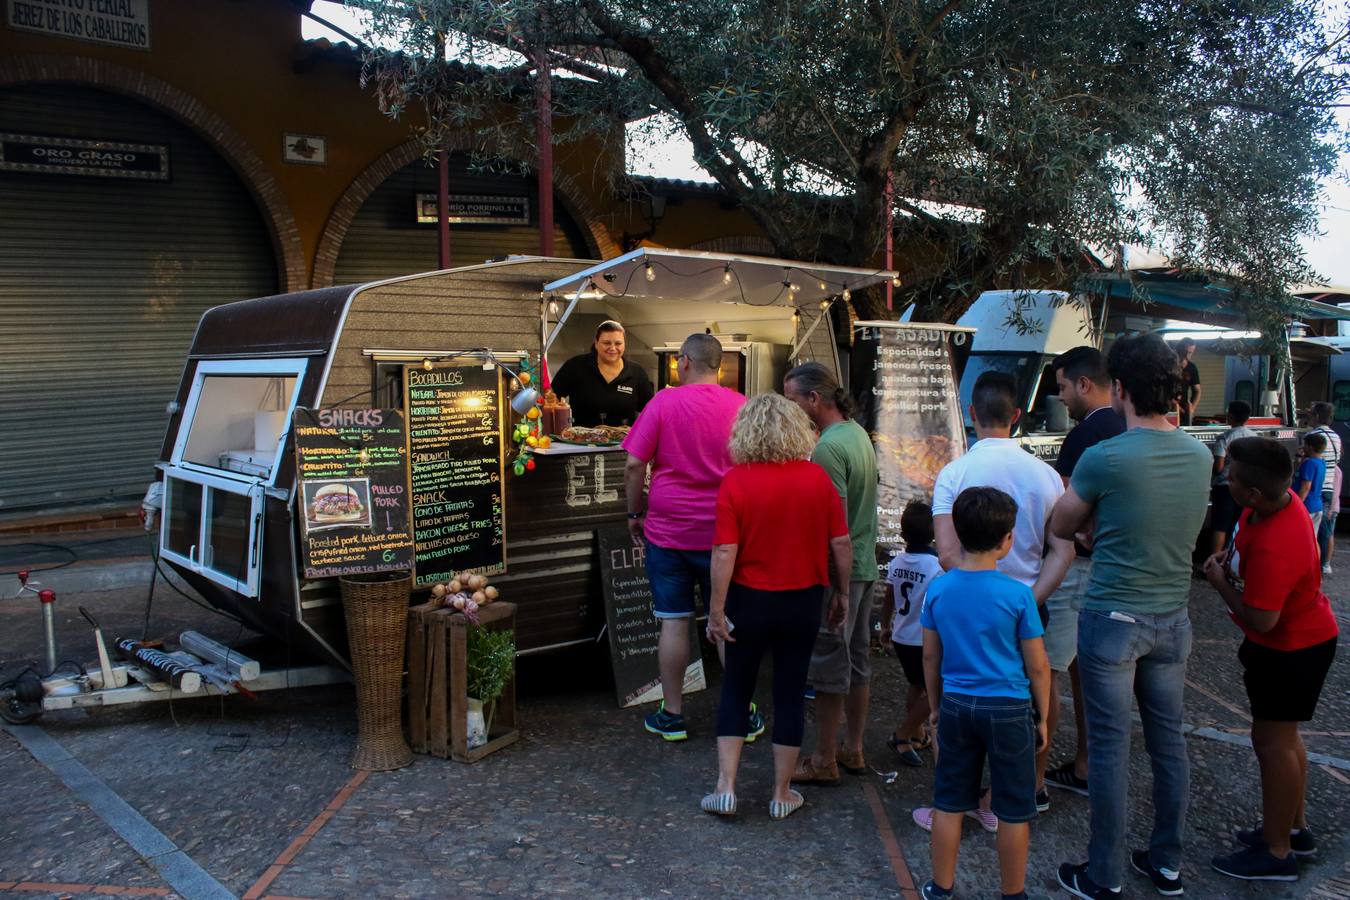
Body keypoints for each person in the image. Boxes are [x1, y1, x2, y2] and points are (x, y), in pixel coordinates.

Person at [1050, 333, 1212, 900]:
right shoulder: (1200, 455)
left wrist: (1097, 524)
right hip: (1174, 618)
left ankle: (1104, 873)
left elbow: (1062, 523)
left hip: (1114, 617)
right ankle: (1166, 863)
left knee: (1112, 745)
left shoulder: (1105, 456)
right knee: (1169, 742)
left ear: (1119, 388)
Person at [929, 369, 1074, 817]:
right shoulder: (1047, 476)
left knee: (966, 692)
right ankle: (1028, 786)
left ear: (971, 414)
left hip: (968, 608)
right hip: (1030, 600)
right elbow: (1062, 549)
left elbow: (947, 554)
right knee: (1038, 683)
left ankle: (959, 796)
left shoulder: (954, 473)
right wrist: (1030, 600)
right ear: (1017, 415)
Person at [701, 393, 852, 820]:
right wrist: (841, 593)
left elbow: (724, 551)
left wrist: (716, 609)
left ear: (745, 432)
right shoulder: (817, 479)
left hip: (749, 598)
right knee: (789, 692)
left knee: (737, 688)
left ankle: (725, 787)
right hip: (803, 598)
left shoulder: (736, 481)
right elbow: (840, 543)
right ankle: (781, 793)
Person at [1203, 437, 1338, 882]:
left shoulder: (1280, 539)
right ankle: (1293, 828)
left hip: (1293, 650)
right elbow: (1246, 543)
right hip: (1290, 647)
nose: (1227, 479)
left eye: (1233, 477)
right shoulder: (1265, 506)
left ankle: (1277, 853)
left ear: (1253, 492)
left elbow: (1262, 619)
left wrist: (1220, 580)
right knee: (1285, 740)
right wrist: (1232, 558)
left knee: (1273, 745)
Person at [916, 487, 1051, 900]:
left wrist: (935, 708)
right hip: (1009, 709)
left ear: (956, 533)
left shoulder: (939, 589)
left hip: (957, 704)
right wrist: (1041, 715)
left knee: (950, 800)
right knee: (1012, 809)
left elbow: (930, 657)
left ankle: (941, 887)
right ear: (1008, 539)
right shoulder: (1018, 595)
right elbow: (1037, 665)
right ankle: (1013, 892)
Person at [623, 333, 752, 741]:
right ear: (720, 366)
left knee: (674, 623)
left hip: (669, 532)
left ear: (683, 361)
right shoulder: (741, 406)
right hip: (726, 536)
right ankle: (743, 712)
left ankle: (673, 714)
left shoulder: (663, 402)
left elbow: (632, 464)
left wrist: (633, 512)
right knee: (727, 622)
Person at [782, 363, 880, 786]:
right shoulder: (856, 434)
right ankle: (852, 748)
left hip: (842, 572)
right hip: (864, 565)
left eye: (792, 401)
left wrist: (836, 587)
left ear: (813, 400)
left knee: (828, 668)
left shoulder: (827, 449)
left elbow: (832, 525)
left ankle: (824, 758)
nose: (790, 410)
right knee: (856, 662)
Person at [1042, 347, 1126, 803]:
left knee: (1047, 670)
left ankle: (1035, 774)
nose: (1061, 396)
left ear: (1084, 384)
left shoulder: (1086, 435)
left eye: (1062, 387)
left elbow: (1067, 510)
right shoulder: (1128, 425)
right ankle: (1087, 763)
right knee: (1087, 673)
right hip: (1112, 570)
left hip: (1077, 568)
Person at [878, 501, 944, 767]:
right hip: (924, 639)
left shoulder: (897, 562)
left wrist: (884, 625)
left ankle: (916, 734)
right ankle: (903, 732)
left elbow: (888, 598)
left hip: (902, 636)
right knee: (935, 689)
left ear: (903, 535)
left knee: (917, 685)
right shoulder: (937, 567)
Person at [551, 320, 653, 427]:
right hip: (581, 441)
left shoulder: (637, 372)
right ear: (596, 343)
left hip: (624, 442)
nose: (613, 348)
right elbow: (551, 399)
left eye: (618, 343)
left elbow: (651, 411)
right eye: (606, 343)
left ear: (624, 345)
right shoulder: (575, 366)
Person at [1209, 400, 1257, 556]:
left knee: (1220, 525)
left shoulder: (1224, 438)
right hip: (1247, 487)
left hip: (1225, 487)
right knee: (1240, 524)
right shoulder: (1255, 438)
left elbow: (1219, 467)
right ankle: (1234, 559)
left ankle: (1215, 560)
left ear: (1230, 416)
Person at [1306, 401, 1340, 563]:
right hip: (1329, 487)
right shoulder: (1336, 437)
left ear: (1317, 416)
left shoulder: (1312, 437)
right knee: (1325, 530)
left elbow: (1306, 462)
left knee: (1308, 531)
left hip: (1313, 489)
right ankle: (1323, 565)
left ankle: (1310, 564)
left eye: (1310, 414)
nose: (1308, 417)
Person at [1294, 433, 1328, 537]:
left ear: (1310, 447)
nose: (1303, 447)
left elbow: (1305, 487)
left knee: (1301, 537)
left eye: (1305, 445)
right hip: (1316, 505)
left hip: (1306, 506)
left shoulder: (1310, 464)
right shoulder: (1321, 462)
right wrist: (1300, 458)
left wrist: (1296, 505)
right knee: (1312, 538)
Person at [1174, 337, 1201, 426]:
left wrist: (1192, 409)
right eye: (1188, 352)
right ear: (1179, 350)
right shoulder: (1169, 365)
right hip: (1169, 411)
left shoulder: (1192, 367)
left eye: (1191, 352)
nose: (1189, 355)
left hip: (1184, 412)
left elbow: (1197, 390)